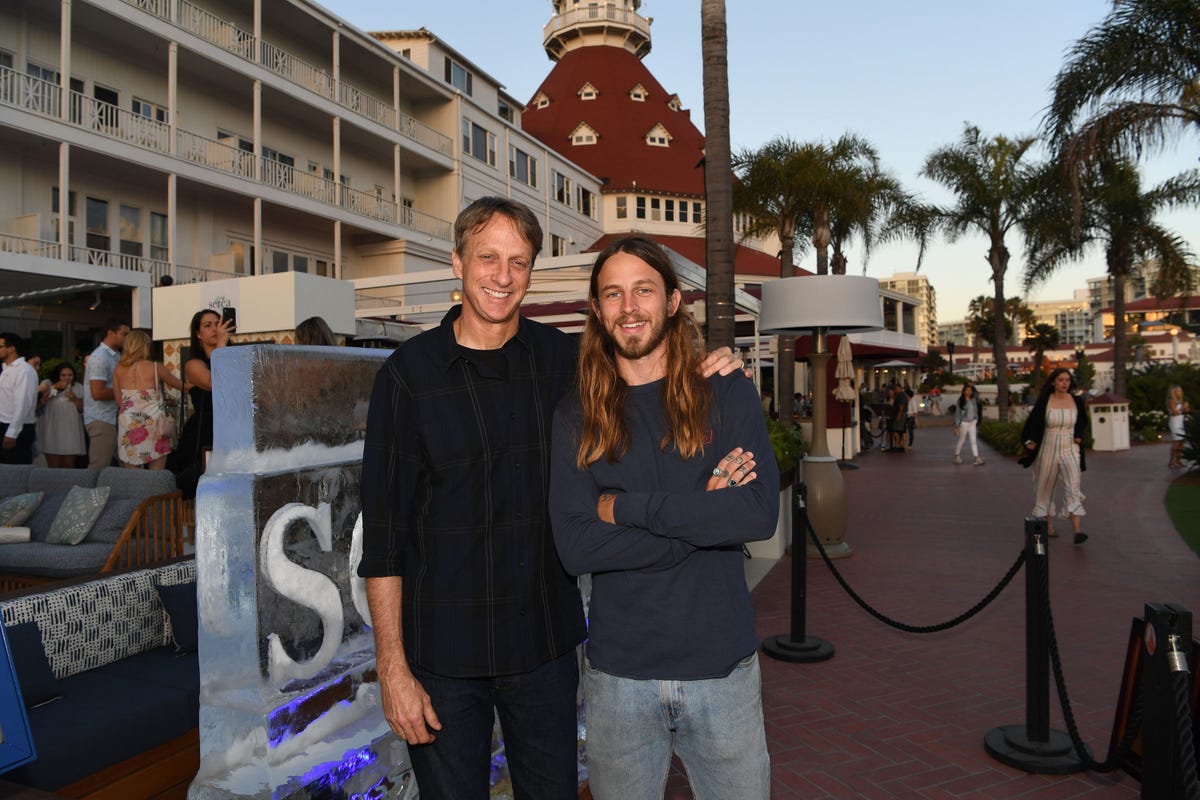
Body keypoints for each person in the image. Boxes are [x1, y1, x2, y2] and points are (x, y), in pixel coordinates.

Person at [358, 198, 741, 800]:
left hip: (544, 650)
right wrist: (392, 667)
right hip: (441, 657)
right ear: (457, 261)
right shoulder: (407, 377)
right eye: (487, 257)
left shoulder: (567, 363)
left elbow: (648, 371)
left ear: (532, 271)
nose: (502, 276)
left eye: (519, 261)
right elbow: (384, 539)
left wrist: (707, 366)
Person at [548, 236, 777, 798]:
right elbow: (576, 547)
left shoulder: (725, 392)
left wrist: (623, 508)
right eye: (613, 294)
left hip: (722, 670)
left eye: (644, 290)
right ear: (598, 313)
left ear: (673, 301)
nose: (629, 307)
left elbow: (756, 513)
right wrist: (701, 516)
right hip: (619, 679)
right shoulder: (577, 413)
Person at [1019, 368, 1089, 544]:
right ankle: (1048, 526)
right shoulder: (1045, 401)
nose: (1064, 383)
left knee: (1073, 485)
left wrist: (1079, 435)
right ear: (1053, 382)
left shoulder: (1077, 401)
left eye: (1067, 380)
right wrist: (1030, 442)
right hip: (1048, 446)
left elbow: (1082, 421)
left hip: (1070, 447)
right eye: (1060, 380)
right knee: (1045, 486)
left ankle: (1077, 531)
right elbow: (1032, 424)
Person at [168, 309, 232, 497]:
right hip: (205, 429)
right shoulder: (193, 364)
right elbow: (214, 383)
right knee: (204, 483)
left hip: (231, 426)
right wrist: (221, 343)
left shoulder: (232, 356)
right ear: (198, 334)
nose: (214, 329)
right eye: (207, 325)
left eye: (217, 324)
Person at [114, 330, 184, 470]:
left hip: (128, 425)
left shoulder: (119, 369)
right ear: (145, 346)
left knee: (132, 475)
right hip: (155, 425)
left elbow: (118, 401)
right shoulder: (155, 367)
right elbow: (183, 386)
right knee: (156, 474)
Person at [83, 319, 130, 469]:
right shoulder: (99, 357)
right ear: (111, 333)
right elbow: (97, 392)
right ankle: (90, 493)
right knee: (99, 466)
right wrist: (127, 392)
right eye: (124, 334)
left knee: (125, 463)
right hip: (101, 418)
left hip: (113, 418)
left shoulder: (115, 355)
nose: (127, 338)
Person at [0, 333, 39, 465]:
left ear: (11, 349)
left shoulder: (24, 371)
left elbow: (22, 404)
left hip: (17, 428)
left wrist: (12, 432)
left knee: (17, 470)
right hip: (4, 423)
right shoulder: (5, 369)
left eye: (0, 346)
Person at [38, 362, 86, 468]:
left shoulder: (78, 387)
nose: (67, 378)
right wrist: (55, 387)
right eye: (63, 375)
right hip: (52, 428)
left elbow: (82, 409)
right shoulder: (47, 383)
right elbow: (42, 402)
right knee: (53, 466)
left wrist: (74, 399)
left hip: (71, 430)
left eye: (70, 375)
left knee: (68, 465)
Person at [953, 383, 984, 465]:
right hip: (964, 423)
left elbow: (976, 410)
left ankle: (977, 458)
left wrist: (976, 419)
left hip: (972, 422)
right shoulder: (960, 401)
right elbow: (957, 413)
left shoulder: (974, 400)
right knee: (962, 440)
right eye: (967, 390)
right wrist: (957, 424)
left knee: (973, 441)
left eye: (970, 390)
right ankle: (957, 455)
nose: (968, 392)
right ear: (963, 391)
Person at [1166, 384, 1189, 468]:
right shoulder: (1171, 400)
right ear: (1174, 392)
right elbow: (1174, 412)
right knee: (1176, 441)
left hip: (1181, 422)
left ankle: (1178, 461)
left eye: (1180, 391)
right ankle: (1171, 461)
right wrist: (1183, 408)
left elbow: (1183, 411)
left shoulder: (1180, 401)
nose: (1180, 392)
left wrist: (1186, 408)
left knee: (1181, 442)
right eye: (1178, 391)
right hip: (1175, 422)